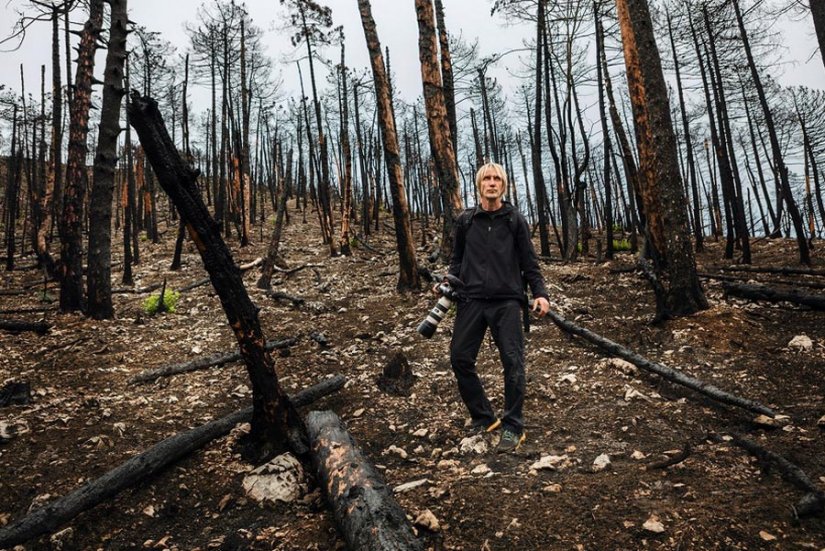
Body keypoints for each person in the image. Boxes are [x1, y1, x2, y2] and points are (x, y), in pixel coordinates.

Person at [438, 162, 550, 453]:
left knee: (513, 363)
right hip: (471, 300)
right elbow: (457, 261)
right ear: (479, 184)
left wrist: (540, 293)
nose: (491, 183)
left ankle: (513, 426)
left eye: (496, 178)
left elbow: (529, 263)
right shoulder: (465, 221)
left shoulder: (514, 219)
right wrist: (449, 282)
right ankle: (484, 417)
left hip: (507, 301)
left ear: (503, 185)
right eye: (486, 178)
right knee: (460, 358)